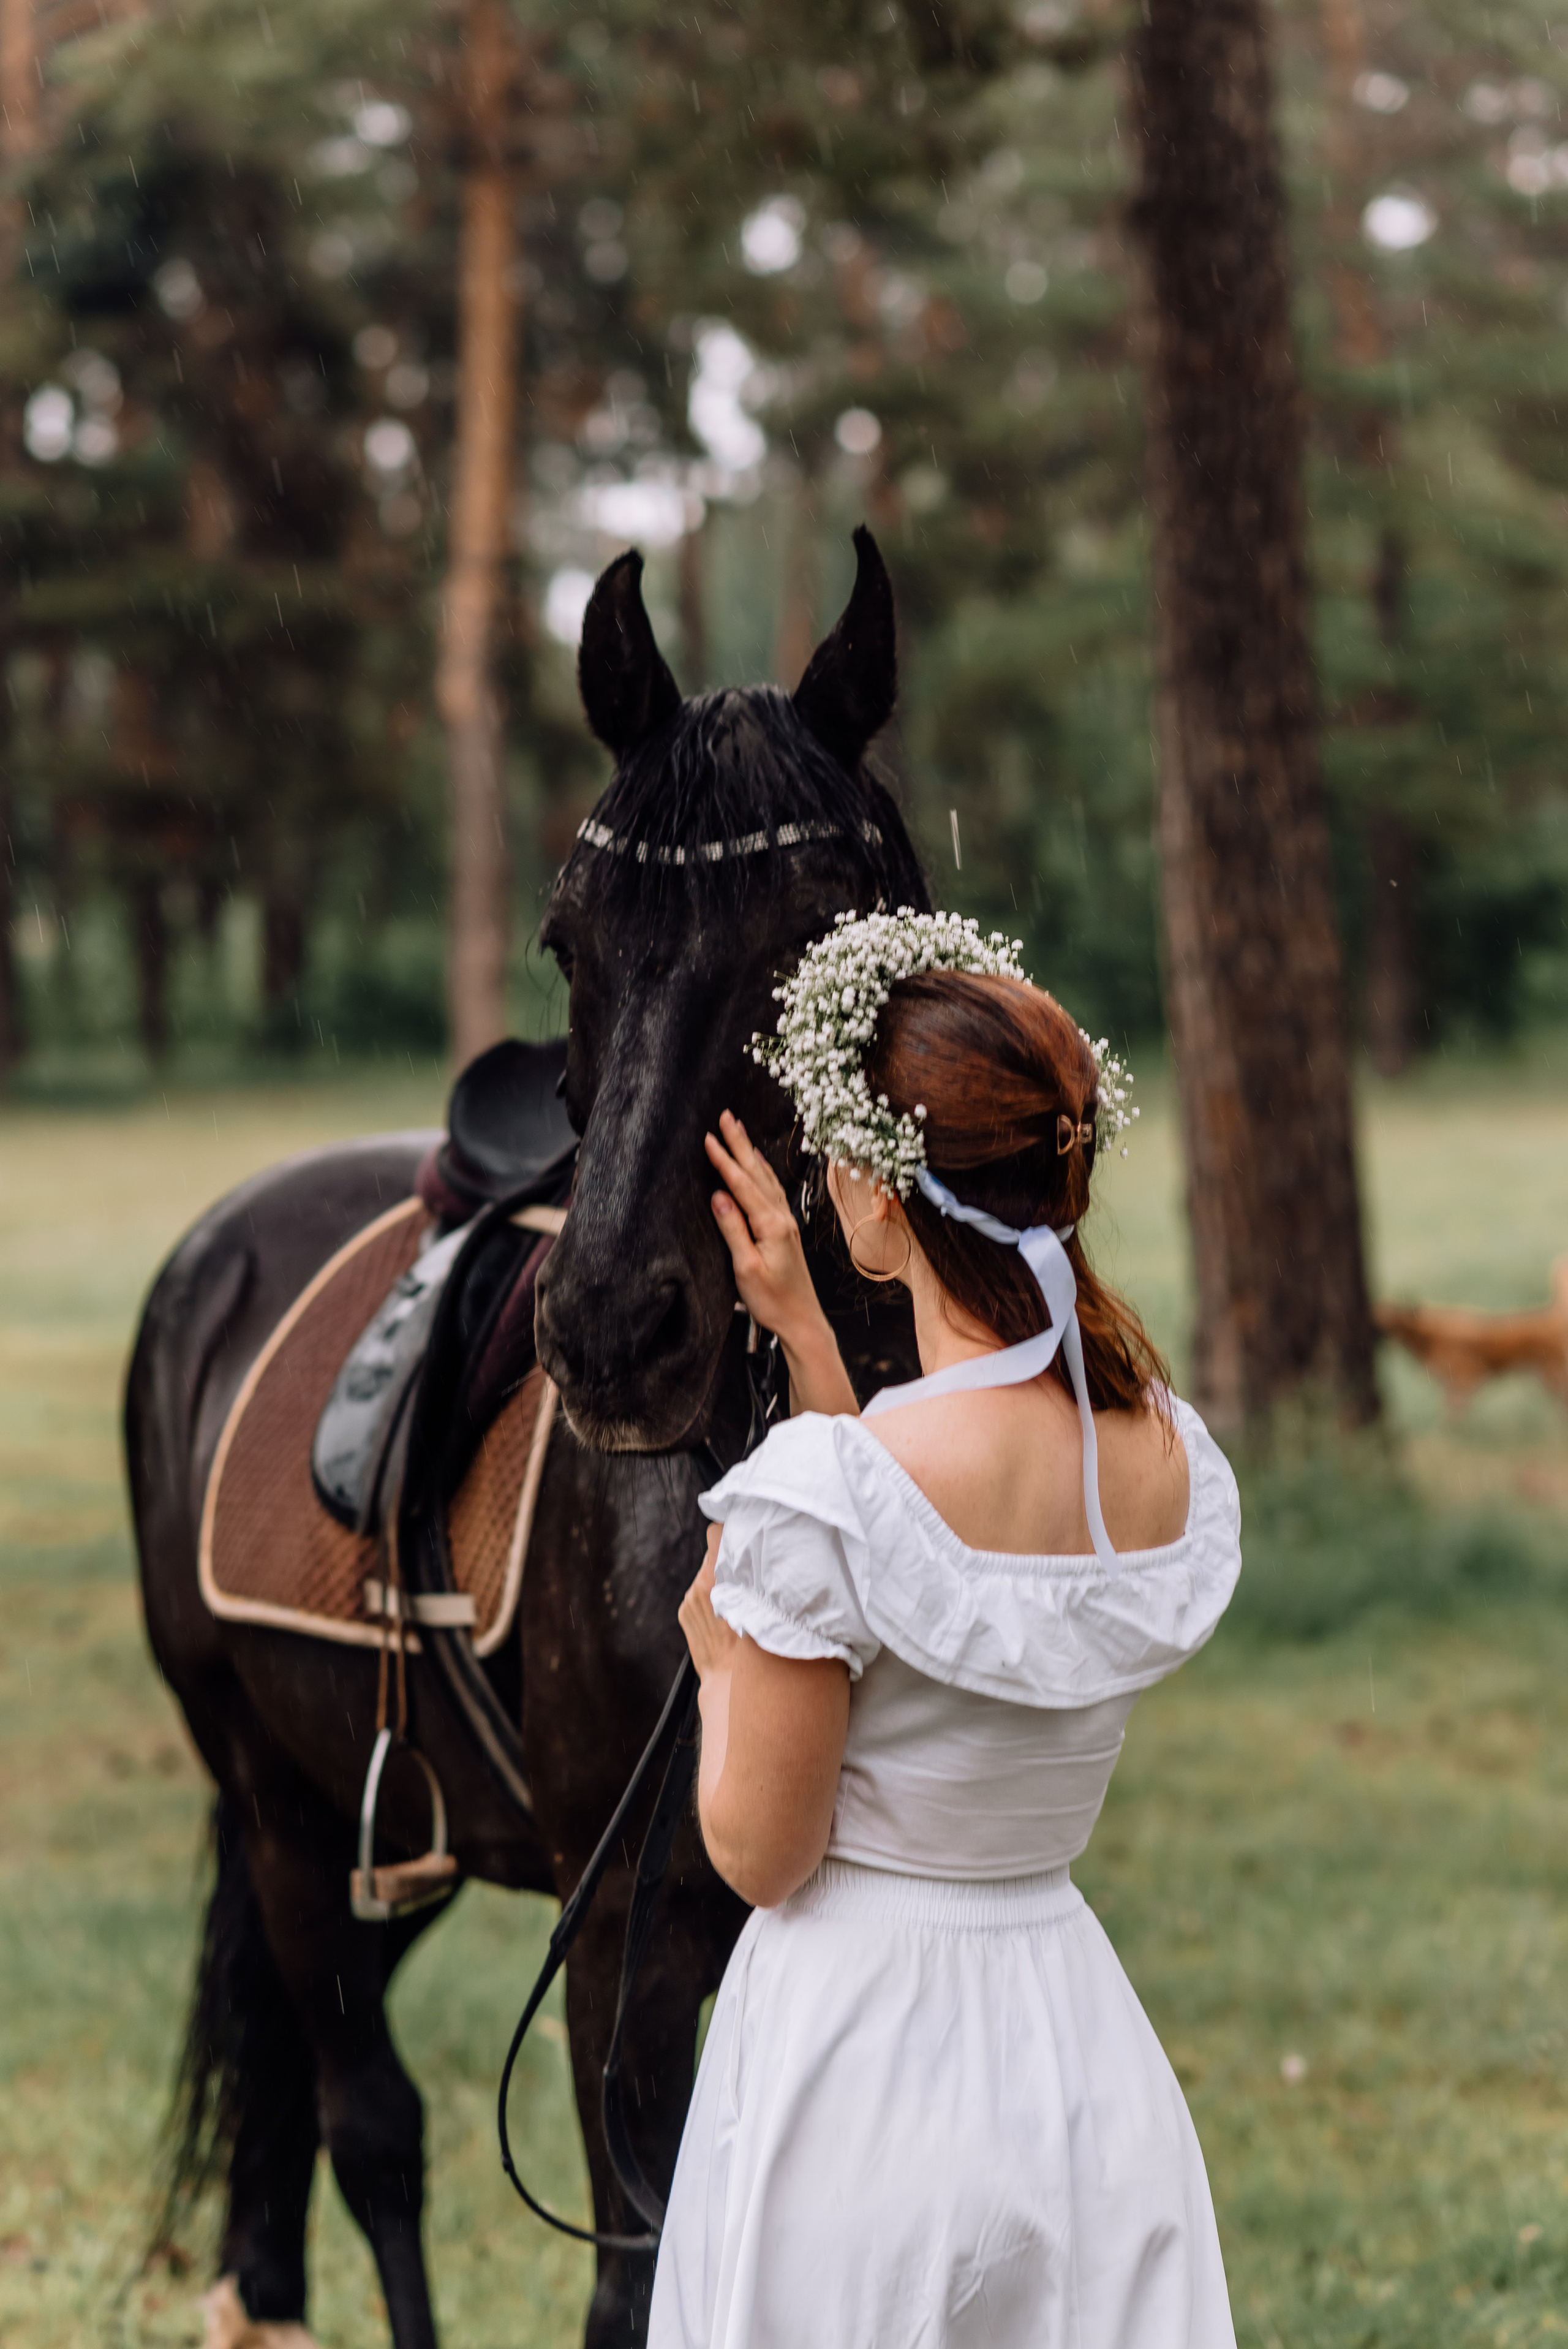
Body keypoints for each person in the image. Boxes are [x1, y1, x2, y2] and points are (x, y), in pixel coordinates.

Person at [647, 912, 1242, 2349]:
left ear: (868, 1183)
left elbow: (762, 1853)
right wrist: (805, 1338)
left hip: (860, 2057)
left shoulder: (826, 1496)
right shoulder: (1157, 1452)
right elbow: (937, 1578)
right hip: (1065, 2035)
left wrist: (723, 1657)